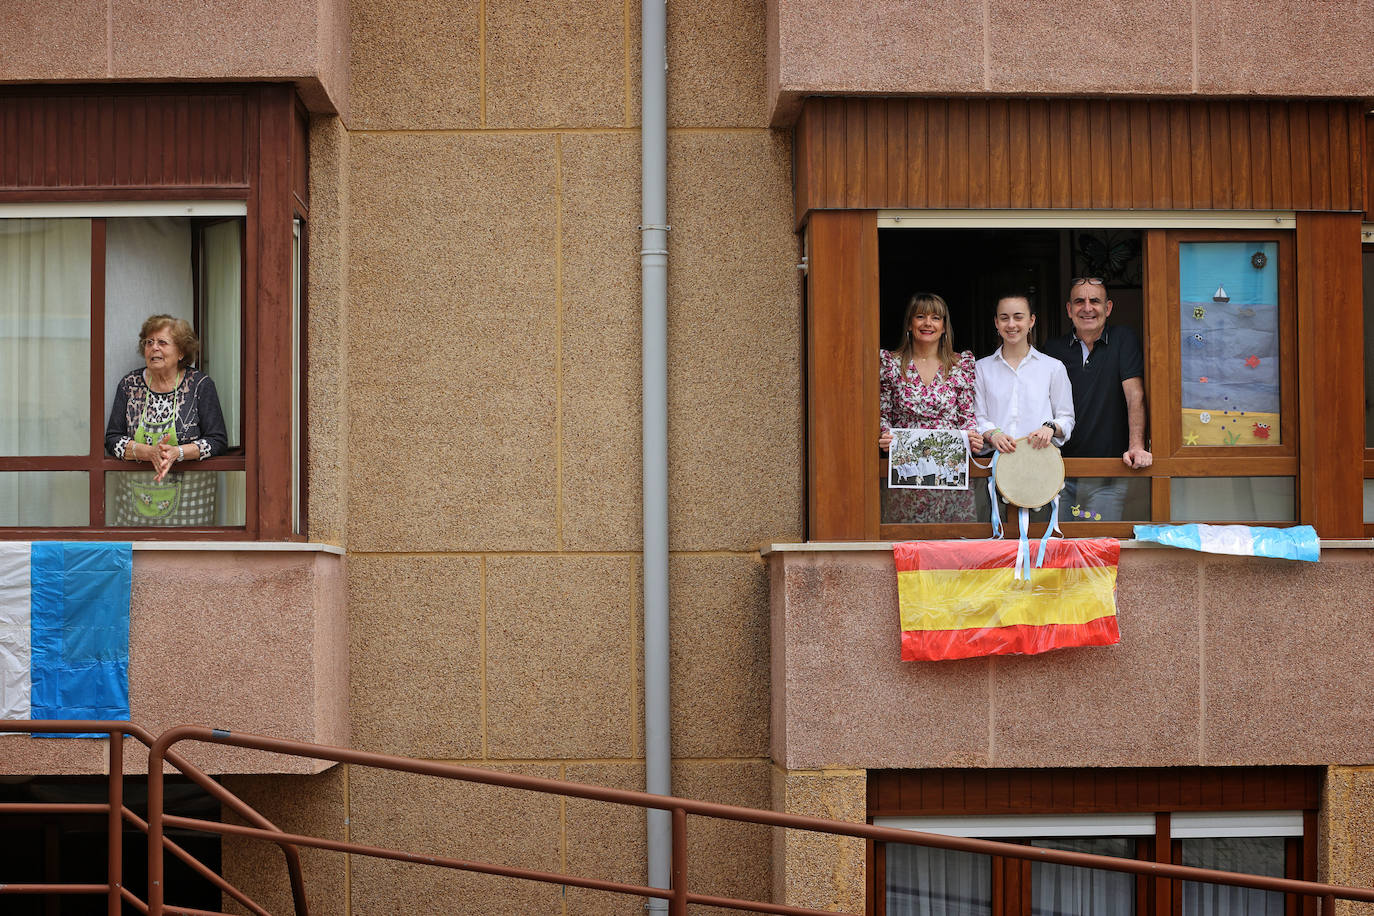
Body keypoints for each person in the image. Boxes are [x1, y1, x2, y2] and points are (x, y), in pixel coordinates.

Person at [1041, 278, 1152, 520]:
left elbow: (1134, 395)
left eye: (1095, 301)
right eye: (1079, 301)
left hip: (1109, 473)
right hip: (1061, 471)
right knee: (1060, 548)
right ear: (1069, 310)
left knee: (1099, 550)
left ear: (1108, 308)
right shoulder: (1053, 349)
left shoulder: (1123, 339)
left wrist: (1136, 446)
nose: (1087, 308)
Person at [105, 315, 228, 525]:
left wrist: (177, 453)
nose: (154, 348)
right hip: (137, 494)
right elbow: (112, 439)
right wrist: (147, 452)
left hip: (191, 495)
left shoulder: (200, 385)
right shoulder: (129, 385)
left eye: (162, 342)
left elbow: (217, 441)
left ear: (181, 352)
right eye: (149, 342)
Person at [879, 292, 984, 523]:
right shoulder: (890, 363)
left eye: (936, 318)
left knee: (954, 545)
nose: (928, 323)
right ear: (909, 323)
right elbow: (882, 413)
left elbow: (967, 416)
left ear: (944, 326)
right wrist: (885, 435)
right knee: (908, 545)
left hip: (949, 473)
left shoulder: (960, 365)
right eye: (920, 316)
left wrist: (973, 436)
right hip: (907, 474)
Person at [973, 293, 1075, 455]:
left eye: (1018, 317)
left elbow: (1066, 418)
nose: (1011, 324)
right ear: (996, 323)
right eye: (1004, 318)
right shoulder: (981, 368)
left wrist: (1049, 427)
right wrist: (993, 434)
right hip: (997, 463)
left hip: (1042, 462)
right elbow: (978, 417)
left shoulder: (1053, 367)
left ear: (1031, 321)